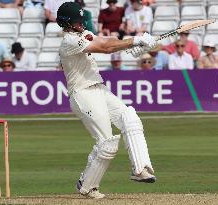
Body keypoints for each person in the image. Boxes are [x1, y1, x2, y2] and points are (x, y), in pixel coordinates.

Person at [57, 2, 156, 199]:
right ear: (67, 23)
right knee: (107, 144)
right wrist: (135, 40)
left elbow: (106, 39)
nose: (82, 23)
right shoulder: (69, 41)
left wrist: (133, 42)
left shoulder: (81, 34)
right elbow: (106, 47)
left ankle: (140, 169)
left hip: (99, 88)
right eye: (78, 20)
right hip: (83, 94)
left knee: (130, 118)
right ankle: (87, 186)